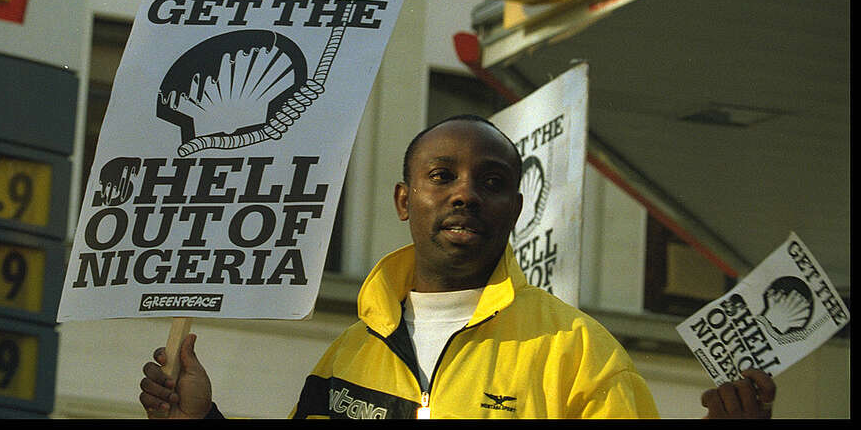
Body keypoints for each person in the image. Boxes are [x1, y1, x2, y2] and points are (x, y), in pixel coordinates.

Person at [138, 114, 777, 419]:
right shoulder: (345, 359)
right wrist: (202, 421)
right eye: (441, 176)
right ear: (403, 199)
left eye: (491, 181)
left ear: (516, 208)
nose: (465, 193)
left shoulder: (582, 356)